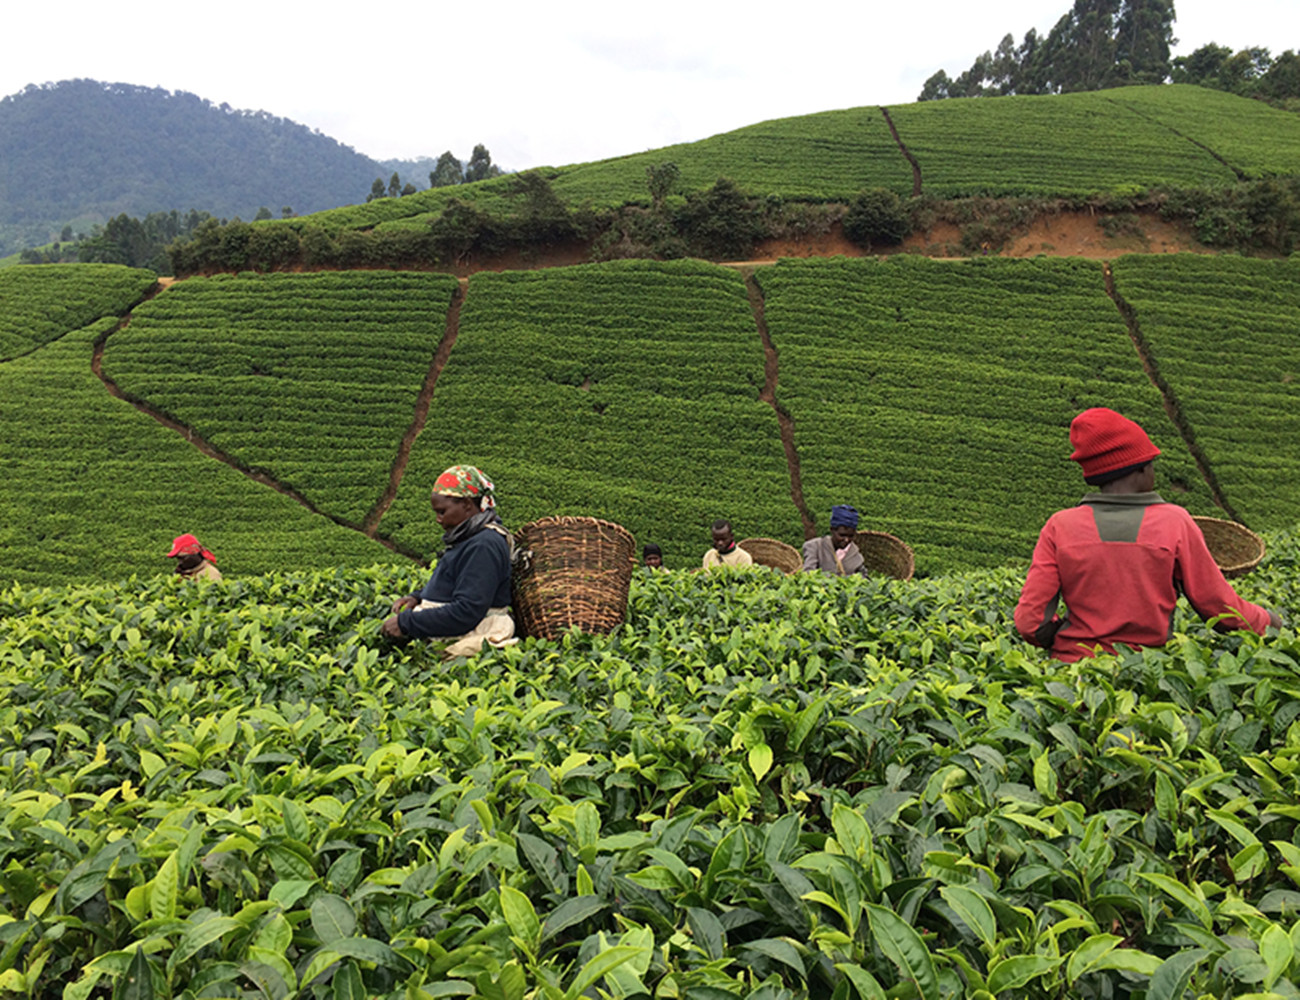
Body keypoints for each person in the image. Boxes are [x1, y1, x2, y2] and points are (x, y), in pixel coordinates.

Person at [1015, 407, 1281, 662]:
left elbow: (1030, 621)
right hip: (1144, 672)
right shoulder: (1174, 522)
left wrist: (1065, 639)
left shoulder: (1059, 526)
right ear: (1141, 468)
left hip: (1069, 674)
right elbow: (1219, 608)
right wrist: (1268, 621)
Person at [381, 465, 515, 657]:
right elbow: (455, 583)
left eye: (442, 512)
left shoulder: (484, 545)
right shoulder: (469, 538)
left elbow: (466, 612)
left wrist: (406, 623)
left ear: (467, 504)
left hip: (472, 634)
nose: (438, 519)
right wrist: (418, 597)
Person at [803, 505, 866, 575]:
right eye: (842, 535)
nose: (846, 540)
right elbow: (808, 573)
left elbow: (864, 576)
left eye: (851, 536)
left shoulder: (854, 553)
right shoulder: (815, 547)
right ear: (832, 530)